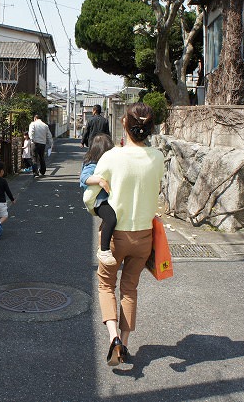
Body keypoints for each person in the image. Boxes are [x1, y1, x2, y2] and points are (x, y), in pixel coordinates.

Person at [82, 102, 165, 366]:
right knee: (130, 289)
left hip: (115, 236)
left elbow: (89, 197)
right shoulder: (158, 157)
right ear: (150, 129)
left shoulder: (111, 157)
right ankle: (126, 344)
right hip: (144, 237)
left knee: (107, 285)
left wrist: (99, 209)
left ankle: (113, 337)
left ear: (124, 125)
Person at [80, 133, 117, 266]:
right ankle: (104, 250)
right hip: (98, 201)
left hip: (106, 199)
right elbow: (84, 178)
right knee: (111, 219)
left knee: (109, 221)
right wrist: (100, 181)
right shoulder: (92, 164)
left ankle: (105, 241)